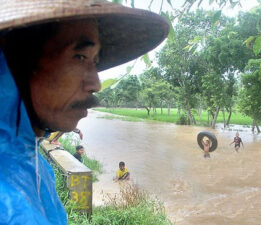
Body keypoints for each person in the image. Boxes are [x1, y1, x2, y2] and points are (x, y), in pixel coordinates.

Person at [0, 1, 169, 224]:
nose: (95, 83)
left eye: (95, 61)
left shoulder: (35, 165)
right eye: (79, 56)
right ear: (17, 60)